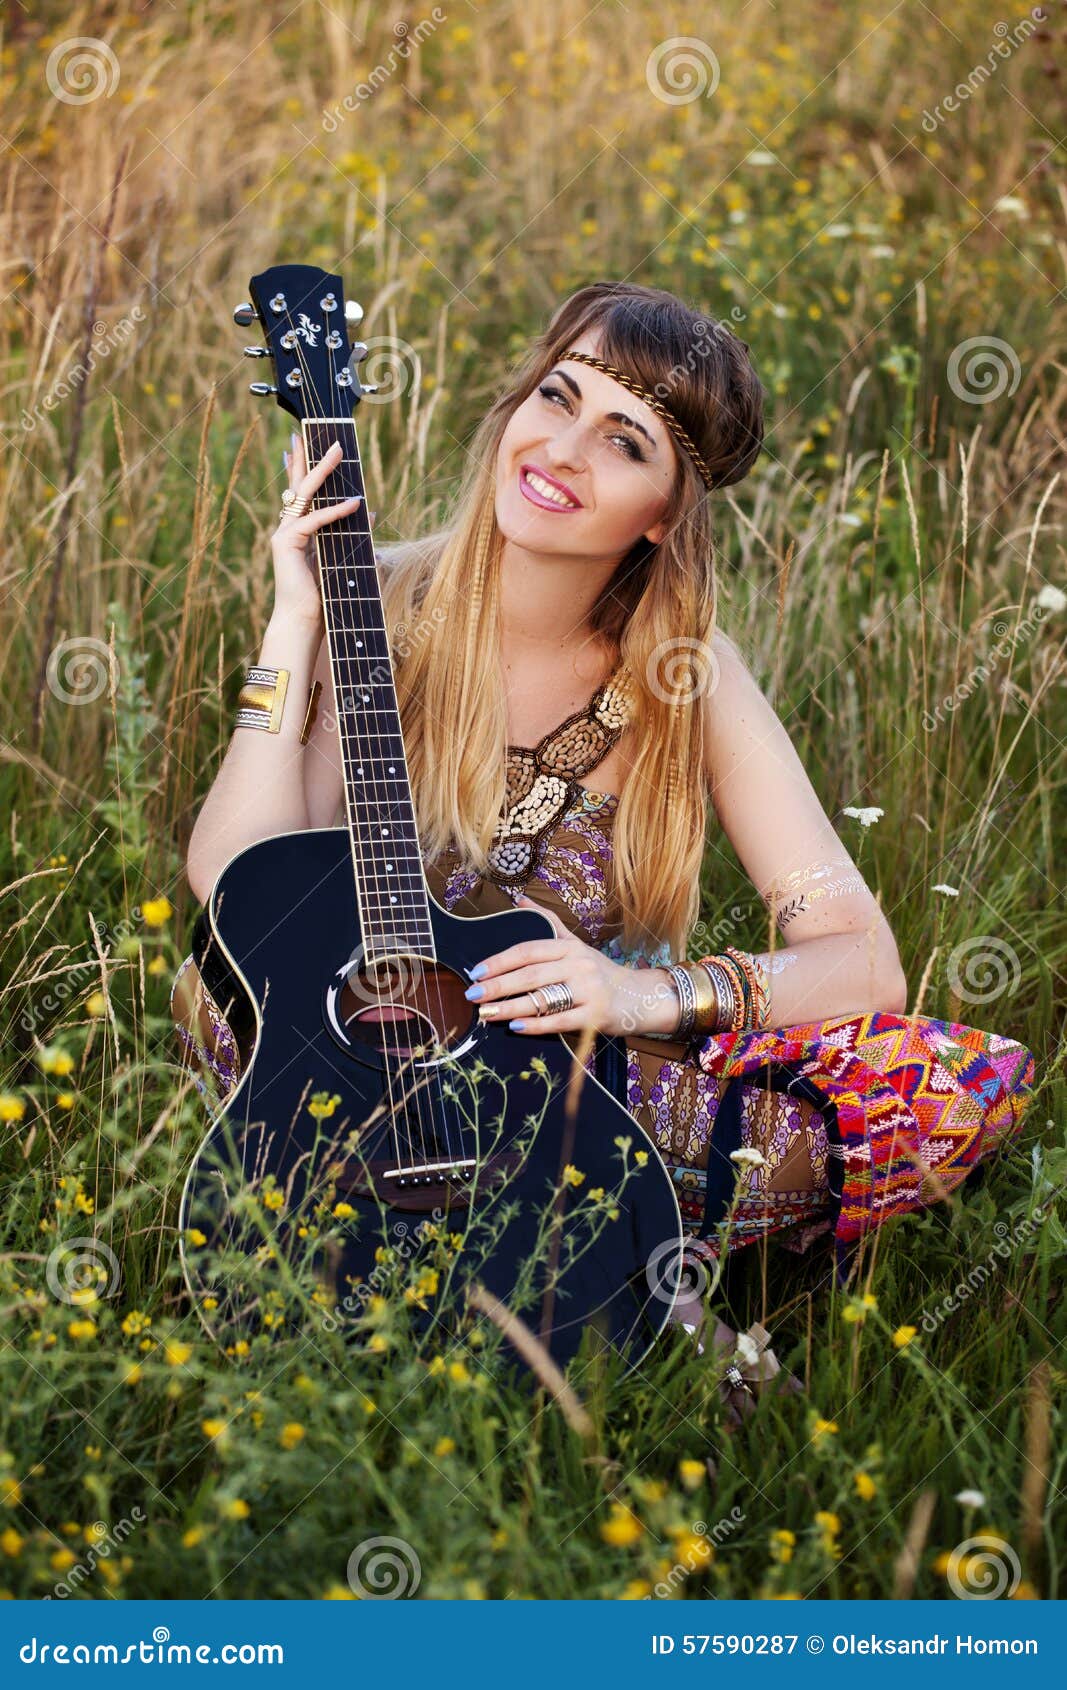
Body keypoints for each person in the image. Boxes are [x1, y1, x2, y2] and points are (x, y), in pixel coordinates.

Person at [177, 281, 1036, 1393]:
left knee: (941, 1088)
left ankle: (614, 1253)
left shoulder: (685, 675)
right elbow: (232, 884)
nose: (562, 448)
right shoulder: (363, 604)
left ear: (664, 513)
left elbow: (860, 954)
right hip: (349, 1065)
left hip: (579, 1094)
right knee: (219, 1002)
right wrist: (292, 622)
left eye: (621, 439)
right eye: (555, 396)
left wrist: (643, 998)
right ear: (513, 404)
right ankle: (620, 1286)